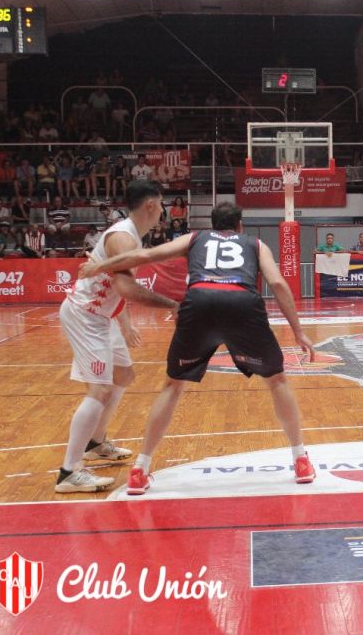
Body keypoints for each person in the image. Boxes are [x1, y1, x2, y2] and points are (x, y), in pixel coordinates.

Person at [77, 202, 316, 494]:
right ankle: (300, 459)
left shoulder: (194, 238)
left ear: (212, 225)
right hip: (241, 302)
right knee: (277, 380)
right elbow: (277, 283)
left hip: (200, 301)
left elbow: (145, 255)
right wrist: (298, 332)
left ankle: (140, 469)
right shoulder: (255, 244)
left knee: (172, 385)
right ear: (240, 225)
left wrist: (99, 265)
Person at [55, 180, 181, 493]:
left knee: (123, 375)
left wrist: (124, 323)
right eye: (161, 204)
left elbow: (114, 287)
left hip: (104, 316)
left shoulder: (130, 235)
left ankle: (95, 443)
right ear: (150, 205)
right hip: (86, 315)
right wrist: (172, 304)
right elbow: (126, 288)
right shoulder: (123, 238)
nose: (163, 211)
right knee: (99, 389)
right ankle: (69, 472)